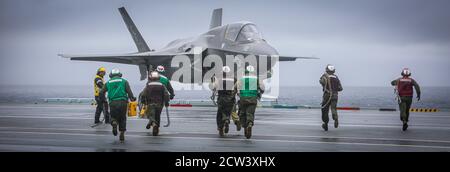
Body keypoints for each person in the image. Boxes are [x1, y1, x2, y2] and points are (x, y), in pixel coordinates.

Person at [99, 69, 136, 142]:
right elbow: (129, 92)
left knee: (113, 117)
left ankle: (114, 123)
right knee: (122, 118)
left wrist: (103, 100)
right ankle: (122, 133)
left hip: (113, 103)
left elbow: (101, 92)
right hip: (123, 102)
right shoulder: (124, 81)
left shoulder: (108, 82)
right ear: (119, 74)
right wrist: (132, 98)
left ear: (111, 75)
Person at [235, 65, 264, 139]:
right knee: (250, 113)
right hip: (253, 99)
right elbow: (262, 88)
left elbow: (236, 87)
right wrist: (260, 92)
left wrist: (237, 93)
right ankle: (250, 124)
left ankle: (245, 127)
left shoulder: (241, 78)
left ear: (245, 71)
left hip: (243, 99)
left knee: (242, 114)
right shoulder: (257, 78)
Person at [209, 66, 238, 136]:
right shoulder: (234, 79)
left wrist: (212, 81)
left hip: (221, 98)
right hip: (231, 99)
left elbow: (213, 87)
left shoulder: (219, 79)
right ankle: (227, 120)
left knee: (220, 113)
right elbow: (237, 88)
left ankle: (220, 128)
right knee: (228, 112)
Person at [141, 71, 170, 136]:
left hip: (150, 104)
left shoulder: (148, 85)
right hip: (159, 104)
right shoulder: (162, 85)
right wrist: (166, 102)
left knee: (150, 115)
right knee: (157, 116)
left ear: (151, 78)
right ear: (158, 78)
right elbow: (166, 95)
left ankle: (153, 124)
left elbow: (143, 95)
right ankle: (156, 129)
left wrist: (143, 101)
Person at [319, 64, 343, 131]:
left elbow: (321, 82)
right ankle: (336, 118)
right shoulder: (336, 77)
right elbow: (340, 88)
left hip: (327, 95)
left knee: (324, 110)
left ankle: (325, 124)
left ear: (327, 69)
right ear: (333, 70)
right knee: (333, 108)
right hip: (335, 95)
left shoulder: (325, 76)